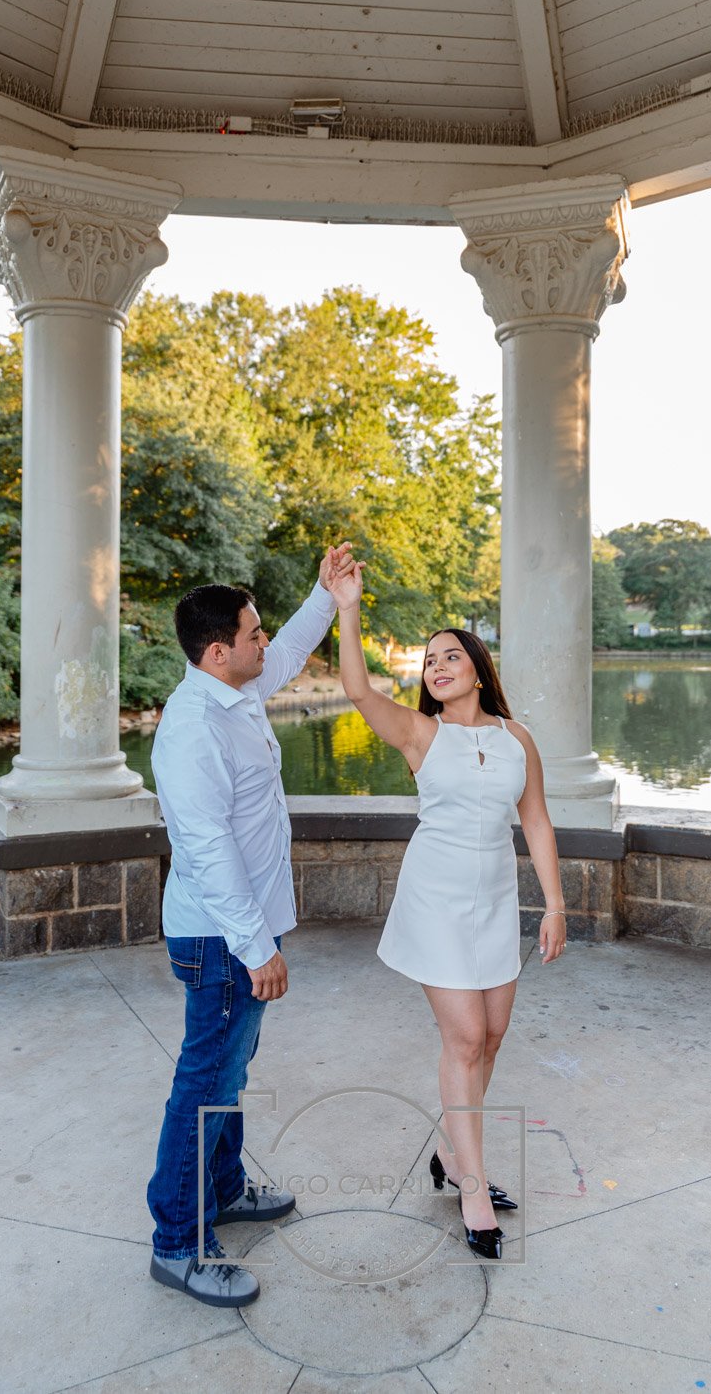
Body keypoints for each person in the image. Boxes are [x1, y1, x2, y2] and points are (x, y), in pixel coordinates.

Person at [329, 558, 566, 1261]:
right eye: (429, 660)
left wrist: (553, 906)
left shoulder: (517, 739)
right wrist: (348, 608)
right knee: (464, 1039)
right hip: (434, 900)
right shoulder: (418, 734)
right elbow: (356, 687)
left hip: (494, 901)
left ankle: (445, 1148)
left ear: (478, 667)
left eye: (450, 655)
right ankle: (471, 1184)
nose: (436, 666)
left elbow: (539, 824)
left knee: (491, 1038)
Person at [147, 542, 356, 1308]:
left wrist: (325, 594)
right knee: (204, 1082)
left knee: (228, 1074)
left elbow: (293, 649)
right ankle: (176, 1243)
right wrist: (257, 945)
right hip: (221, 935)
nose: (264, 641)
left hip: (238, 931)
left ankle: (226, 1189)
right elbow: (205, 851)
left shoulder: (233, 692)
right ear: (217, 651)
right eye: (253, 633)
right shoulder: (194, 728)